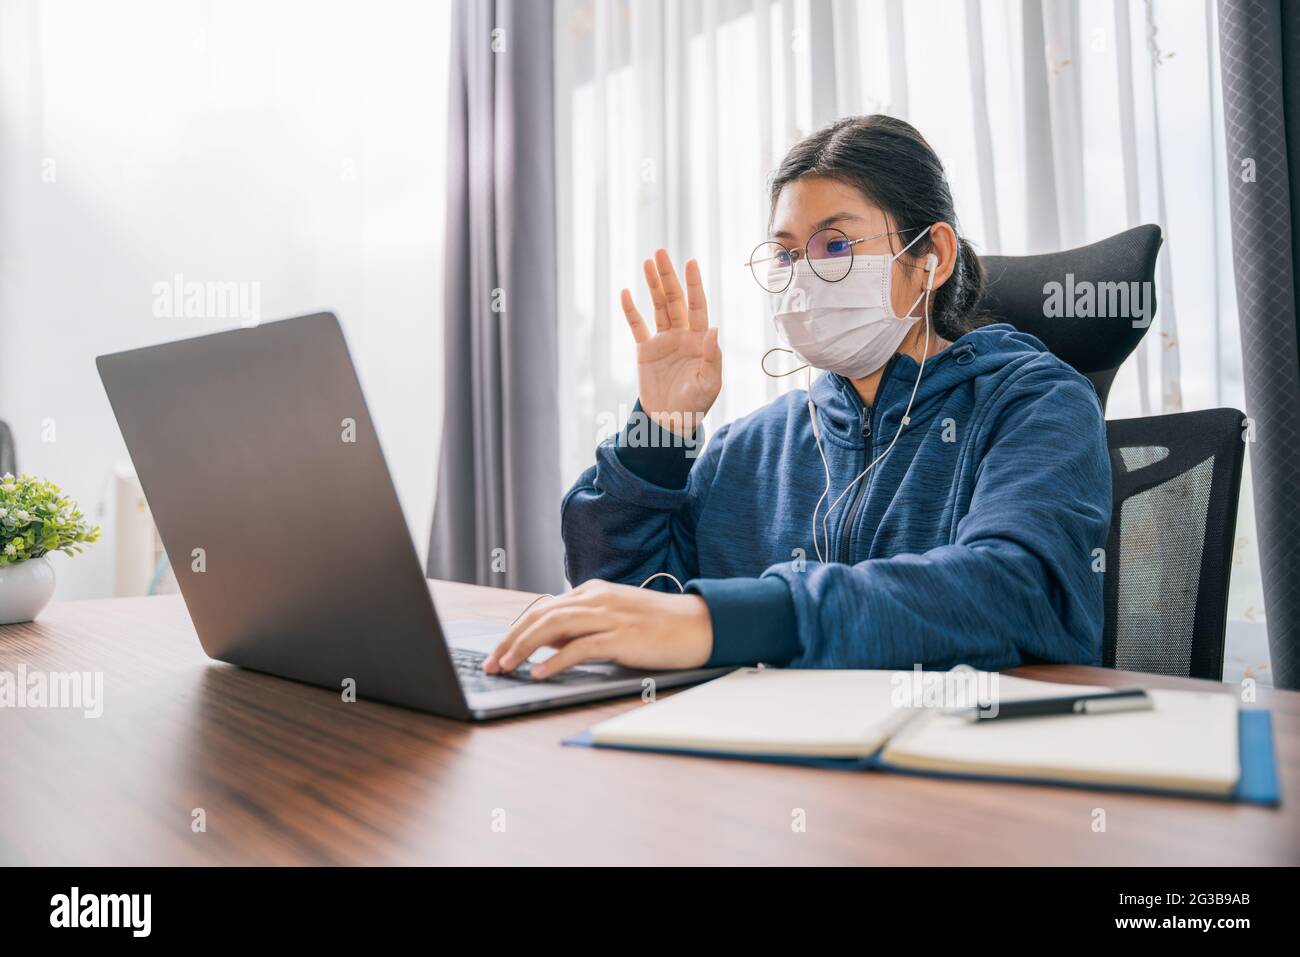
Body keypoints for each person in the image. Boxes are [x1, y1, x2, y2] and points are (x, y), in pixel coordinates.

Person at [485, 114, 1111, 680]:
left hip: (954, 776)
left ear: (931, 257)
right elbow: (631, 602)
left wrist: (736, 620)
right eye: (786, 253)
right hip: (767, 769)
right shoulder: (752, 447)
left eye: (836, 245)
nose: (805, 273)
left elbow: (1017, 592)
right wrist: (661, 434)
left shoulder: (1034, 404)